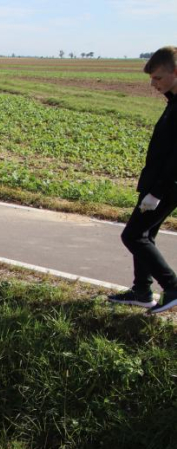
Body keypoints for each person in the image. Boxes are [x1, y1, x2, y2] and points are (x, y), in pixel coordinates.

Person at [108, 46, 177, 314]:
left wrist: (157, 192)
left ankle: (172, 287)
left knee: (134, 235)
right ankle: (141, 291)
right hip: (156, 183)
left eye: (158, 78)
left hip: (167, 186)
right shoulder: (173, 101)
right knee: (146, 234)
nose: (153, 84)